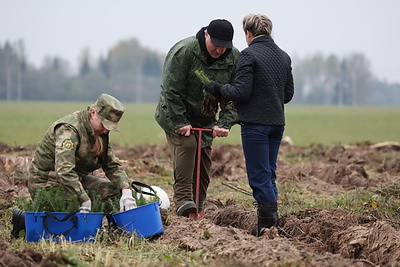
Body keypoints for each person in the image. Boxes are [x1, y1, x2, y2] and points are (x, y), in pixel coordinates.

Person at [202, 14, 294, 235]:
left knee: (259, 176)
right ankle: (272, 221)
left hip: (256, 126)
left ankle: (267, 227)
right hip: (277, 124)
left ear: (248, 33)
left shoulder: (248, 55)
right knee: (269, 173)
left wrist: (216, 87)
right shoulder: (283, 56)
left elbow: (241, 92)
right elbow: (288, 95)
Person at [155, 19, 239, 218]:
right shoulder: (184, 51)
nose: (219, 50)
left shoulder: (234, 58)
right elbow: (171, 91)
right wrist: (179, 121)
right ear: (206, 34)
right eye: (215, 44)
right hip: (175, 111)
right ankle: (184, 201)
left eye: (223, 46)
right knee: (188, 145)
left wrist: (224, 123)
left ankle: (198, 206)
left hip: (205, 116)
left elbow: (234, 95)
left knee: (204, 159)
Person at [28, 93, 137, 213]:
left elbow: (112, 164)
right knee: (74, 207)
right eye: (104, 124)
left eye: (110, 127)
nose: (106, 130)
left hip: (76, 180)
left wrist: (126, 191)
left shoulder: (99, 133)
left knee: (114, 192)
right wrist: (83, 198)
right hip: (48, 184)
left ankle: (121, 228)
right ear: (93, 113)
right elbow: (64, 171)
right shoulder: (69, 130)